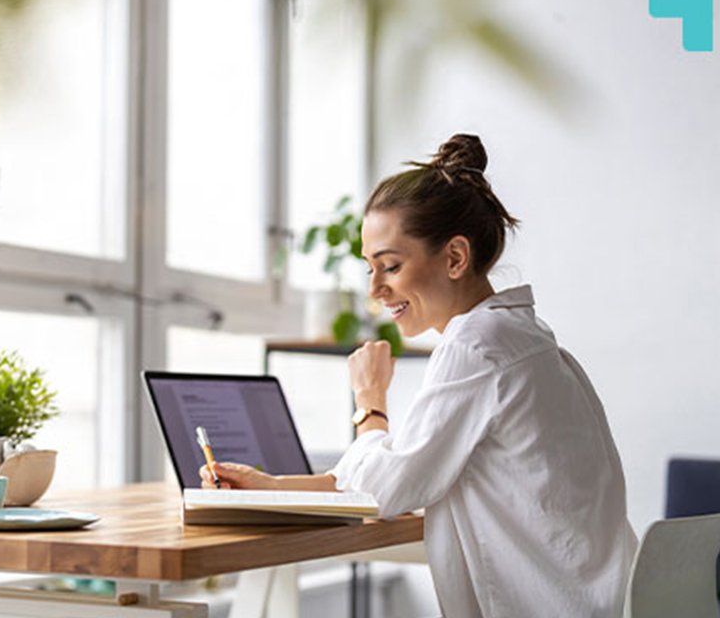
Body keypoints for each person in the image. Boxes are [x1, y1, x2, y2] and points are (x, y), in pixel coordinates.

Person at [200, 134, 637, 617]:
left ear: (454, 257)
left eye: (390, 265)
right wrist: (270, 488)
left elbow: (381, 491)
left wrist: (369, 400)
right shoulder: (521, 337)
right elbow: (396, 474)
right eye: (369, 268)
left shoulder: (477, 346)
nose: (375, 289)